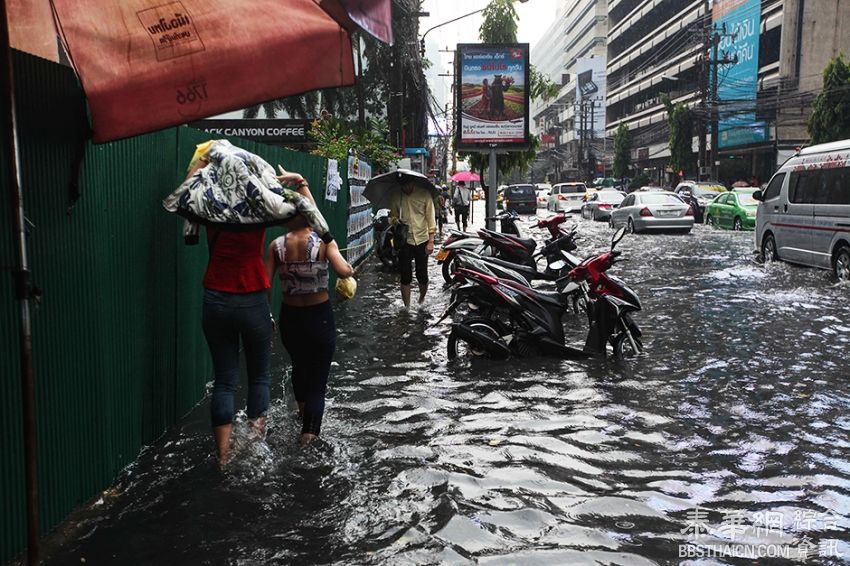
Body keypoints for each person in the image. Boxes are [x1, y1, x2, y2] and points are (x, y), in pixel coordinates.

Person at [186, 151, 309, 466]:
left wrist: (202, 163)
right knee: (259, 377)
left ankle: (224, 457)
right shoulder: (259, 208)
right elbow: (304, 214)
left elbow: (186, 195)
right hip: (253, 297)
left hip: (215, 296)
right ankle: (255, 447)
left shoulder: (210, 207)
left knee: (225, 379)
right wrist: (299, 183)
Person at [265, 214, 353, 446]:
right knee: (318, 380)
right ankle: (309, 436)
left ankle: (303, 418)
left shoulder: (276, 246)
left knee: (299, 367)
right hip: (319, 317)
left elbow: (265, 286)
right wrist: (341, 258)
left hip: (290, 319)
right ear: (311, 218)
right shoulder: (323, 243)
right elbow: (344, 271)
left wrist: (268, 315)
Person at [390, 181, 437, 307]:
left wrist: (431, 241)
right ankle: (407, 307)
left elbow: (430, 219)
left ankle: (421, 298)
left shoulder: (424, 195)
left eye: (407, 184)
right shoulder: (396, 196)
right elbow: (392, 217)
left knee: (422, 275)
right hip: (404, 240)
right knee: (405, 275)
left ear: (413, 183)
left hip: (422, 239)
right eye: (403, 184)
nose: (406, 187)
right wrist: (395, 220)